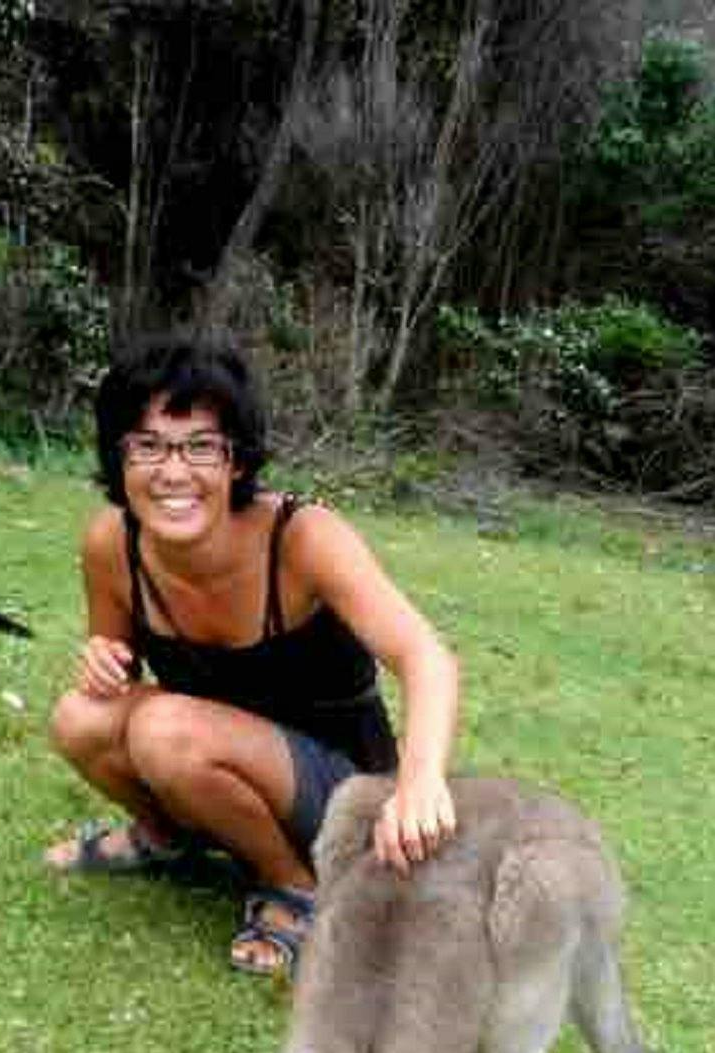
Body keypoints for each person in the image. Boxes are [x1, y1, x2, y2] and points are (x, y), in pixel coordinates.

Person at [44, 333, 461, 977]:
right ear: (118, 458)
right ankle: (166, 840)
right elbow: (120, 673)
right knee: (80, 717)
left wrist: (422, 779)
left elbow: (426, 657)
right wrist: (105, 662)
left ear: (236, 461)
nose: (173, 472)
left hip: (348, 792)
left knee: (162, 730)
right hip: (216, 764)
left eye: (201, 446)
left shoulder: (303, 538)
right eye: (148, 445)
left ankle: (294, 886)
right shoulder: (112, 546)